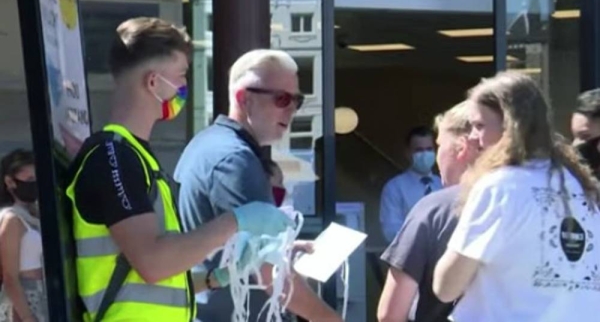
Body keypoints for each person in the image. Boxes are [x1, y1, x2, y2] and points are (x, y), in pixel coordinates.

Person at [65, 18, 293, 322]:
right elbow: (153, 262)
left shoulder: (132, 157)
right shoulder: (113, 156)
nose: (184, 88)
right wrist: (237, 220)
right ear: (153, 82)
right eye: (181, 76)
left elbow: (154, 278)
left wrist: (219, 277)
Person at [175, 49, 341, 322]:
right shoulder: (236, 159)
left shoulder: (205, 144)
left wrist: (285, 246)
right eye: (282, 98)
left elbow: (233, 245)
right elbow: (270, 272)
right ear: (244, 98)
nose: (291, 109)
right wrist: (330, 319)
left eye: (297, 100)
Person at [433, 72, 600, 322]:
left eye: (480, 126)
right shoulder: (579, 185)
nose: (473, 138)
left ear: (510, 125)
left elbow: (446, 286)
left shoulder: (500, 186)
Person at [377, 101, 478, 322]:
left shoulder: (432, 207)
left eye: (436, 146)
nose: (431, 155)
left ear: (460, 148)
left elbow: (390, 315)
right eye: (419, 150)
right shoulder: (522, 204)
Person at [0, 149, 47, 322]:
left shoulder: (34, 216)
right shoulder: (12, 219)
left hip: (43, 295)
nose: (34, 185)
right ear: (10, 182)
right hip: (26, 298)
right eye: (29, 180)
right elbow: (10, 276)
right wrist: (28, 318)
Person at [380, 126, 443, 242]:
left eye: (429, 149)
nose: (425, 154)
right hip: (411, 255)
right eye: (419, 150)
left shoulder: (444, 184)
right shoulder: (395, 188)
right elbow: (391, 230)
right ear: (408, 153)